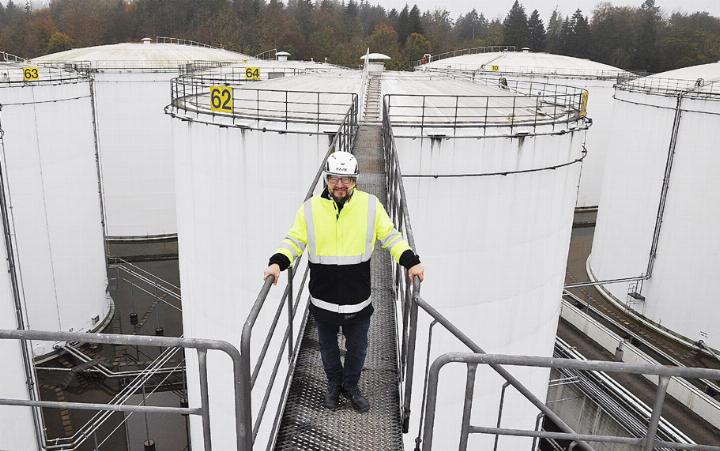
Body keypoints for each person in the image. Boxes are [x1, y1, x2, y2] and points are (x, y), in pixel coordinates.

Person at [263, 151, 424, 413]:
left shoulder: (371, 205)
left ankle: (351, 386)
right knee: (328, 350)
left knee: (358, 349)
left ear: (355, 180)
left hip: (357, 298)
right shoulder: (310, 209)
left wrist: (410, 260)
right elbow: (294, 240)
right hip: (323, 297)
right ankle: (333, 385)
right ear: (326, 179)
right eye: (335, 178)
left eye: (346, 179)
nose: (340, 185)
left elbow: (391, 236)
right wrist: (277, 263)